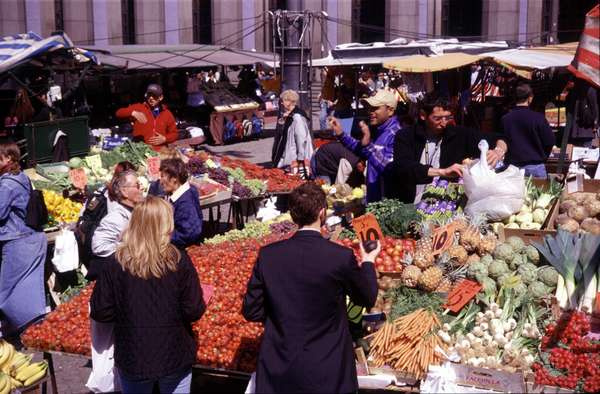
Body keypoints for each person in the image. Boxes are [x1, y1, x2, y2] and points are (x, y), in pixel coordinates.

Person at [242, 182, 379, 393]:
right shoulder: (339, 257)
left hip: (280, 368)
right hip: (328, 370)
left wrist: (282, 316)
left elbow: (251, 310)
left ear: (292, 214)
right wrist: (368, 261)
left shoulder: (269, 255)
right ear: (322, 213)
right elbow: (367, 298)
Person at [90, 197, 205, 394]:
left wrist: (128, 313)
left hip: (133, 355)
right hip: (174, 353)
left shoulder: (116, 263)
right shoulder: (179, 260)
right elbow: (193, 310)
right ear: (166, 225)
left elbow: (101, 312)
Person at [393, 93, 508, 203]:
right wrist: (443, 172)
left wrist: (498, 151)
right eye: (437, 118)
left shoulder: (458, 134)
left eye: (447, 117)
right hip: (410, 199)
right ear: (423, 115)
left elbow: (498, 138)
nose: (444, 123)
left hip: (445, 202)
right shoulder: (406, 136)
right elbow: (403, 166)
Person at [0, 139, 47, 339]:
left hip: (17, 241)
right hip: (32, 238)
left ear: (9, 158)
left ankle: (26, 330)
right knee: (27, 288)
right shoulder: (21, 177)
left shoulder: (6, 185)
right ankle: (29, 330)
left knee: (7, 290)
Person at [330, 89, 401, 202]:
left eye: (375, 108)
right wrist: (342, 135)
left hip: (386, 203)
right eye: (369, 108)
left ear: (390, 110)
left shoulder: (397, 134)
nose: (370, 112)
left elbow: (389, 168)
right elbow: (364, 151)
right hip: (375, 198)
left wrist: (368, 146)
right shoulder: (380, 130)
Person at [501, 83, 555, 178]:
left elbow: (500, 140)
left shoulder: (505, 119)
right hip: (535, 166)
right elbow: (549, 141)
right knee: (538, 193)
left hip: (512, 168)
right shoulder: (538, 118)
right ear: (530, 98)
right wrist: (542, 156)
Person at [91, 170, 144, 264]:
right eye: (137, 185)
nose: (142, 188)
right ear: (124, 192)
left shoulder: (138, 211)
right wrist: (130, 247)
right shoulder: (114, 219)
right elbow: (98, 246)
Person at [148, 158, 203, 249]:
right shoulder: (186, 191)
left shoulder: (185, 202)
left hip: (182, 250)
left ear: (174, 179)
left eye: (162, 176)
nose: (160, 182)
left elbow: (189, 233)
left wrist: (161, 236)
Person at [116, 84, 178, 151]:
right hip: (140, 151)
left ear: (161, 97)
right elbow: (119, 113)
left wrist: (165, 138)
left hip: (161, 151)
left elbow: (174, 134)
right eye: (149, 95)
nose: (151, 98)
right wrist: (133, 113)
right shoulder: (139, 108)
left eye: (154, 96)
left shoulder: (167, 113)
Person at [271, 90, 314, 178]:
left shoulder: (297, 118)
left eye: (282, 101)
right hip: (289, 158)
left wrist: (300, 159)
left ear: (289, 102)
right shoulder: (290, 116)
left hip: (294, 160)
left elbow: (301, 139)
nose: (281, 104)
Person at [566, 78, 599, 148]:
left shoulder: (573, 91)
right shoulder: (590, 90)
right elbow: (595, 109)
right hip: (587, 129)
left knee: (577, 153)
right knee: (587, 154)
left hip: (575, 129)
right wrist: (596, 125)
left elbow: (568, 110)